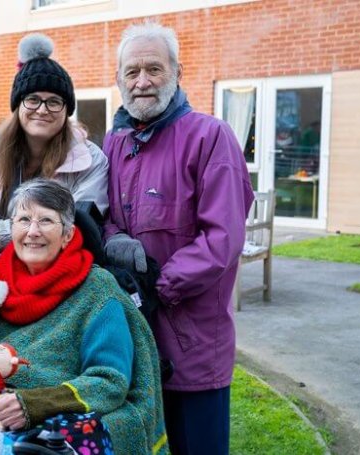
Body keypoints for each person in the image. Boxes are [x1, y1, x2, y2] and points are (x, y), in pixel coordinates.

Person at [102, 23, 254, 455]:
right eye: (131, 72)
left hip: (193, 339)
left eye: (154, 68)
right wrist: (120, 257)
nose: (142, 81)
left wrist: (159, 286)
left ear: (177, 71)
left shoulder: (211, 137)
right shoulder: (115, 143)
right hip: (134, 335)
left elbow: (222, 238)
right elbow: (105, 217)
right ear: (119, 79)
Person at [0, 179, 167, 454]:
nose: (32, 232)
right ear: (11, 228)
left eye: (46, 221)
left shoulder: (97, 289)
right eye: (23, 220)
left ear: (68, 235)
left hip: (61, 413)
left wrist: (35, 404)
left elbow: (110, 381)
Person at [0, 33, 108, 274]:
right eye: (32, 99)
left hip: (56, 291)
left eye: (54, 102)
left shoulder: (89, 160)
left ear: (67, 110)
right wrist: (5, 262)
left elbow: (77, 224)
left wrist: (2, 234)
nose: (42, 110)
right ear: (18, 105)